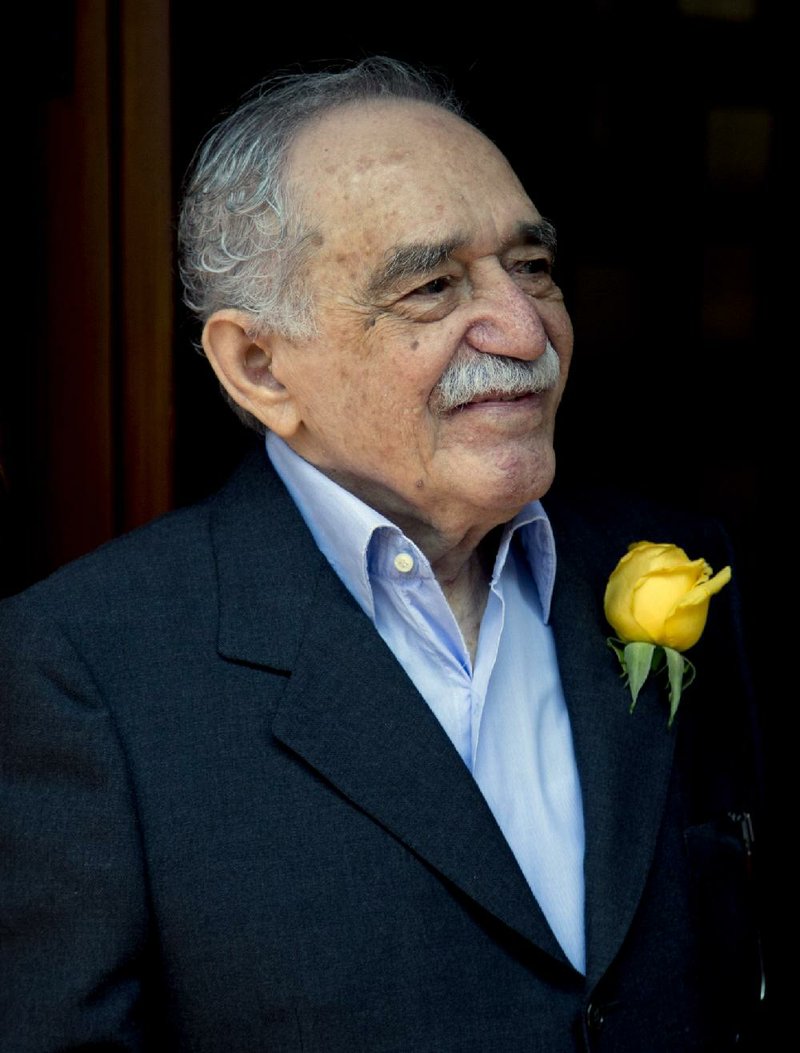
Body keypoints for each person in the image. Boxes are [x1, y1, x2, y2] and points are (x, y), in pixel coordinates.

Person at [1, 57, 765, 1051]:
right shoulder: (85, 669)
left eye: (530, 269)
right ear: (259, 366)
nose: (524, 328)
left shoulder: (671, 564)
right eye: (431, 287)